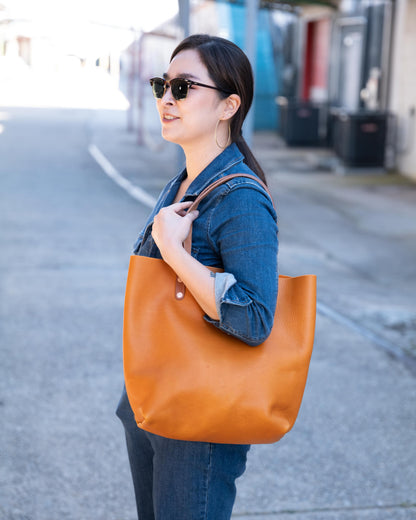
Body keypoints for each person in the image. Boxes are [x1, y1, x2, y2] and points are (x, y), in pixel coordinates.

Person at [117, 34, 278, 520]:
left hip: (197, 422)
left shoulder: (242, 198)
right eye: (162, 84)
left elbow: (255, 317)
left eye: (183, 87)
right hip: (154, 402)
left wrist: (174, 251)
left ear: (230, 105)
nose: (167, 98)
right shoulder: (183, 181)